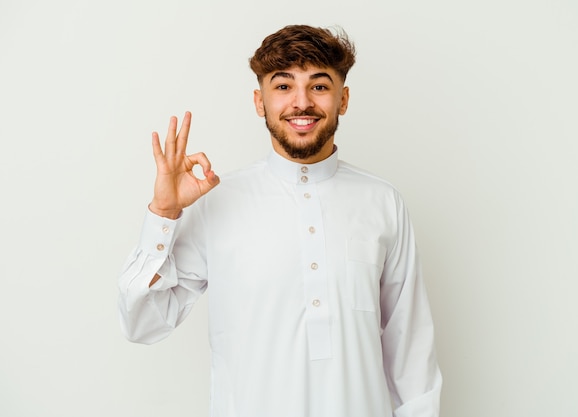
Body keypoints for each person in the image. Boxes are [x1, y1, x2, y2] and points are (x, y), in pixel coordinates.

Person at [118, 24, 442, 417]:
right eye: (283, 86)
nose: (301, 103)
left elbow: (411, 350)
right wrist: (164, 213)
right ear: (260, 101)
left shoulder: (383, 202)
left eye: (319, 86)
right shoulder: (217, 202)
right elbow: (142, 324)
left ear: (344, 99)